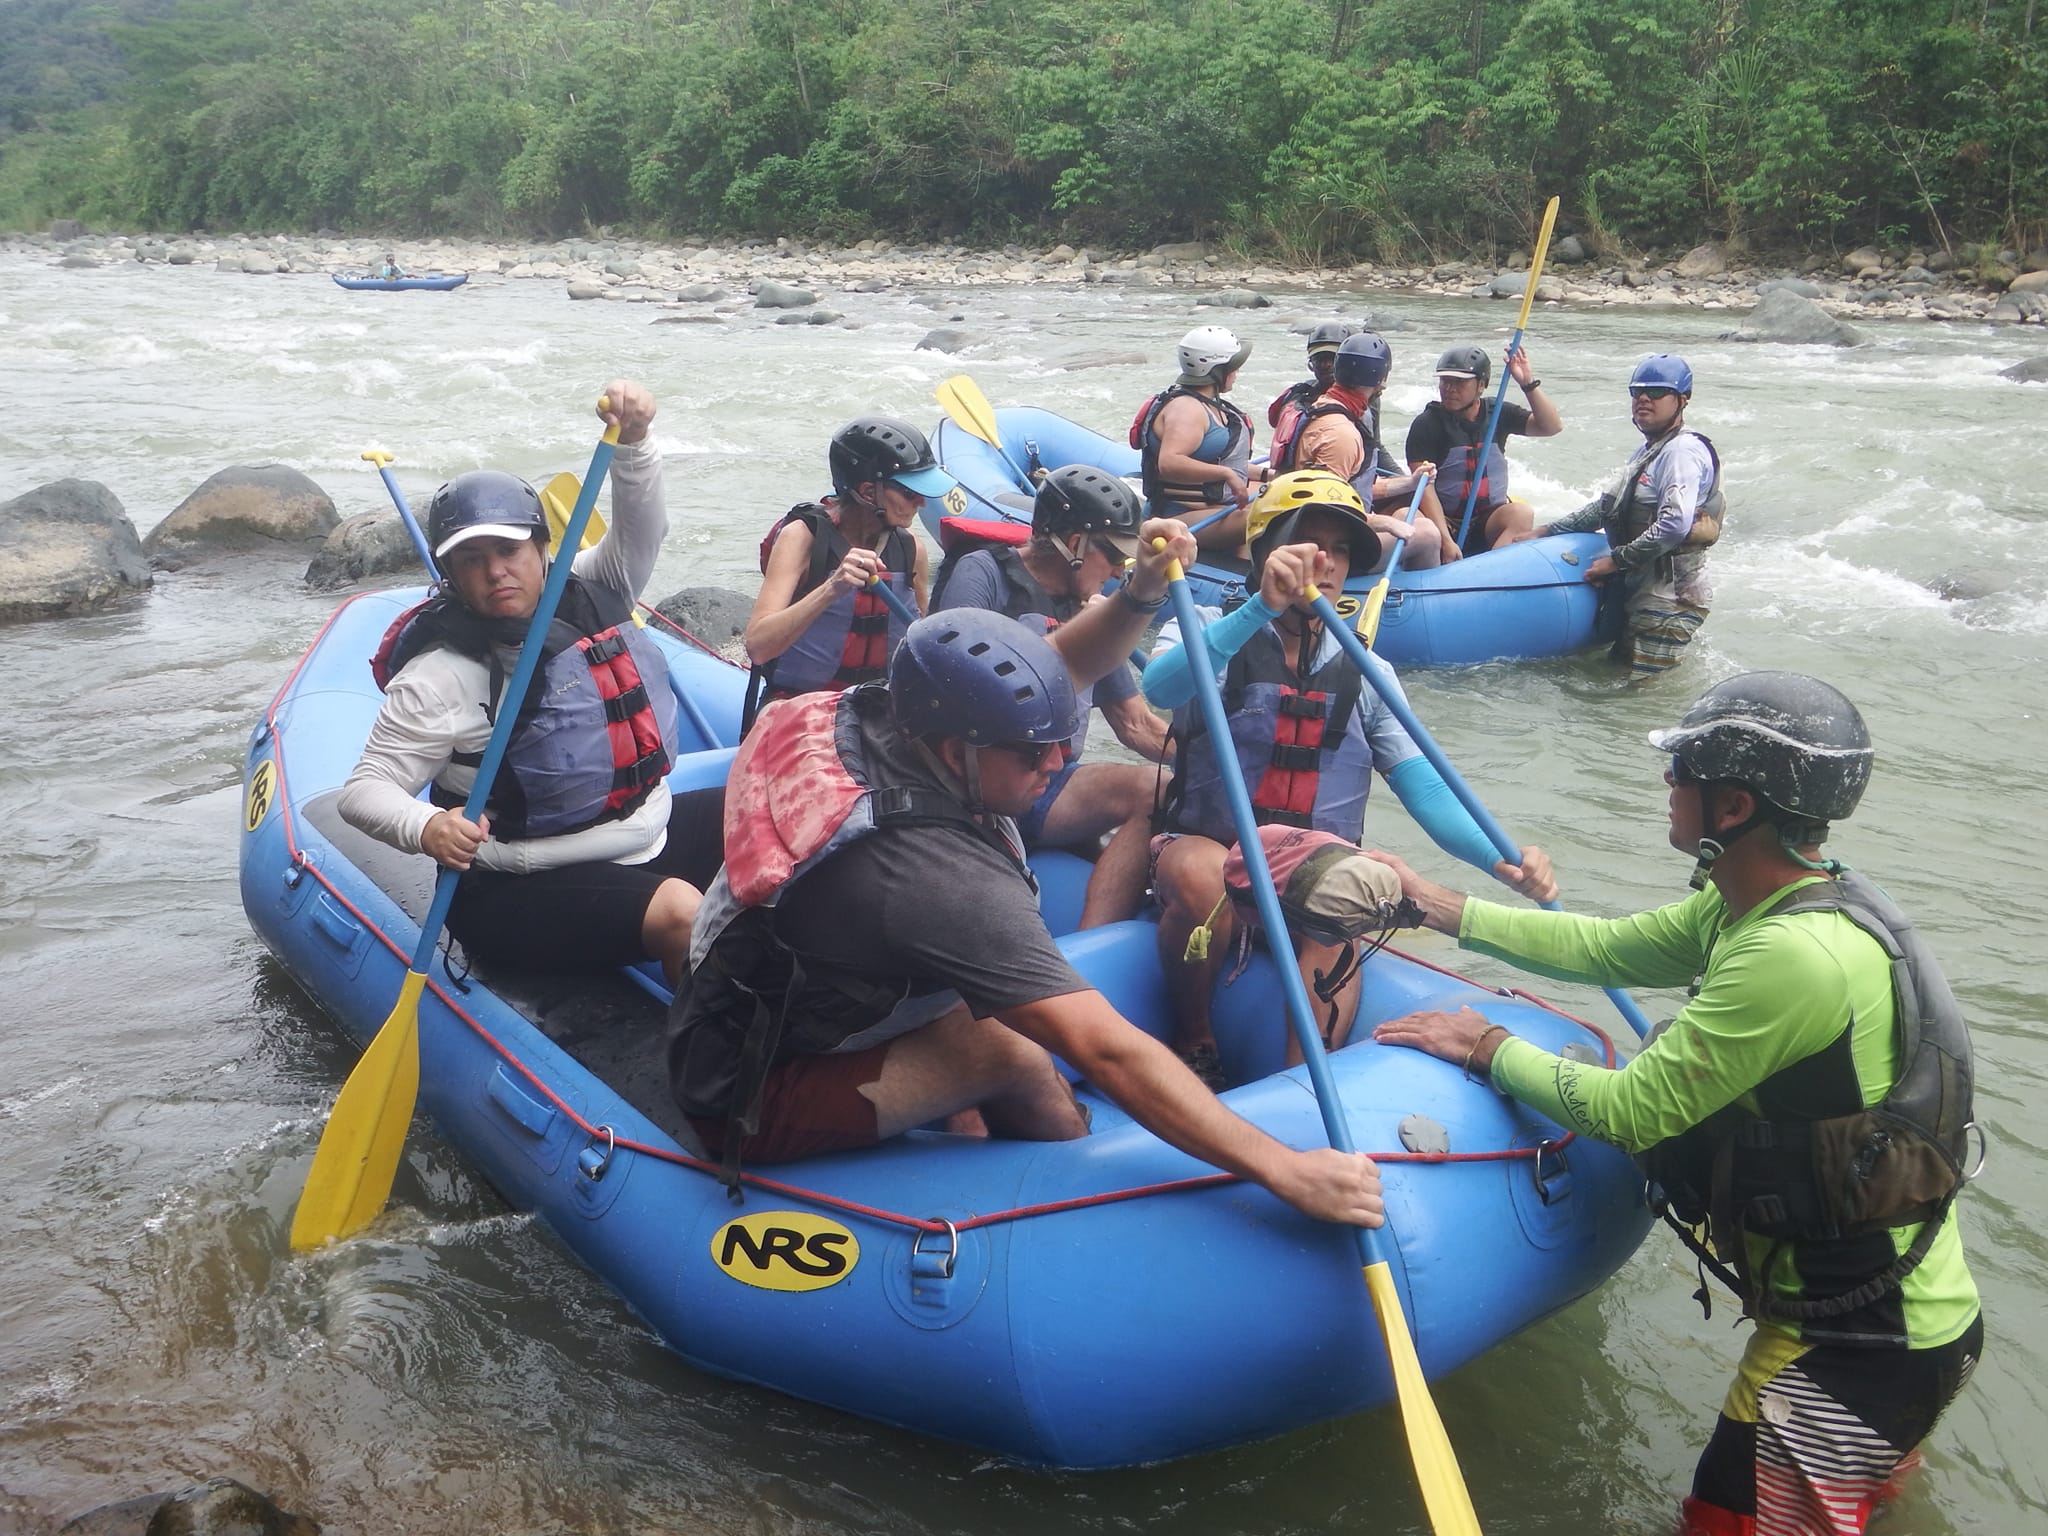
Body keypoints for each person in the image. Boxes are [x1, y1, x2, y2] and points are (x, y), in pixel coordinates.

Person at [1371, 672, 1981, 1536]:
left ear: (1732, 806)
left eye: (1679, 773)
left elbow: (1633, 1113)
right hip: (1911, 1326)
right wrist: (1438, 906)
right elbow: (1604, 947)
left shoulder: (1791, 955)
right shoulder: (1775, 905)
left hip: (1854, 1350)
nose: (1665, 786)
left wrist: (1486, 1047)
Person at [665, 533, 1387, 1233]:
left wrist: (1137, 590)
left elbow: (1065, 659)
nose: (1057, 767)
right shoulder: (936, 877)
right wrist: (1285, 1170)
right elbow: (1106, 1050)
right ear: (960, 752)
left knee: (995, 1031)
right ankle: (1065, 1207)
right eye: (1037, 754)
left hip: (786, 1004)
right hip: (751, 1089)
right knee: (1011, 1052)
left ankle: (965, 1121)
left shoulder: (900, 709)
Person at [1141, 471, 1554, 1079]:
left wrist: (1501, 857)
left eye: (1338, 549)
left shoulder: (1367, 668)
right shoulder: (1201, 623)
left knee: (1342, 899)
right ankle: (1194, 1037)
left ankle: (1300, 1084)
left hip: (1307, 865)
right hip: (1210, 851)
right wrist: (1262, 608)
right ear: (1264, 551)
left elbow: (1426, 787)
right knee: (1206, 874)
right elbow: (1163, 687)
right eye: (1307, 542)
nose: (1324, 561)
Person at [339, 381, 712, 984]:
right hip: (518, 883)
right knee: (682, 913)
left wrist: (635, 442)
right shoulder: (439, 673)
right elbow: (364, 791)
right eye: (471, 560)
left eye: (509, 549)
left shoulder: (599, 588)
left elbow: (643, 529)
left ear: (543, 548)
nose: (495, 572)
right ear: (452, 576)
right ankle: (715, 1069)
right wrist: (428, 827)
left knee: (774, 817)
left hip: (643, 834)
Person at [931, 464, 1167, 927]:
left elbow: (1135, 724)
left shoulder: (1095, 607)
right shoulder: (982, 572)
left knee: (1161, 790)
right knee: (1144, 788)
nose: (1121, 570)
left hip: (1050, 780)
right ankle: (1088, 950)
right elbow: (956, 681)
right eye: (1113, 555)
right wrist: (1093, 626)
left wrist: (1211, 760)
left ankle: (1095, 943)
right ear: (1074, 544)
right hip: (980, 784)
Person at [1516, 353, 1723, 679]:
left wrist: (1616, 560)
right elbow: (1606, 508)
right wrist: (1546, 530)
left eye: (1656, 392)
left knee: (1642, 692)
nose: (1643, 399)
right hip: (1644, 591)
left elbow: (1674, 524)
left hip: (1669, 598)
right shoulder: (1649, 450)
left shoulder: (1681, 452)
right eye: (1637, 392)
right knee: (1618, 679)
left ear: (1682, 400)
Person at [742, 416, 949, 729]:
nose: (922, 502)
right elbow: (758, 647)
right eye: (910, 493)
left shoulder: (911, 550)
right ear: (868, 491)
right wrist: (832, 588)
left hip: (879, 715)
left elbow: (919, 644)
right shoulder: (803, 538)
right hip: (799, 712)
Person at [1274, 332, 1453, 570]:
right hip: (1327, 547)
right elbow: (1325, 510)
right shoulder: (1341, 434)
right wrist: (1382, 523)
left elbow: (1354, 486)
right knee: (1428, 533)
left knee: (1407, 513)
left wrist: (1410, 482)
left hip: (1336, 528)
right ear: (1379, 379)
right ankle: (1420, 600)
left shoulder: (1326, 407)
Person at [1404, 342, 1563, 553]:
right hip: (1445, 521)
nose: (1449, 389)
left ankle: (1489, 571)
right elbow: (1424, 488)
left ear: (1481, 385)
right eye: (1445, 381)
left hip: (1487, 520)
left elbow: (1551, 427)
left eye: (1459, 382)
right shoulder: (1427, 424)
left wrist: (1528, 384)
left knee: (1522, 513)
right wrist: (1446, 541)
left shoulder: (1497, 413)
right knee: (1418, 523)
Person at [1132, 325, 1261, 551]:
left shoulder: (1208, 406)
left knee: (1273, 493)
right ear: (1216, 370)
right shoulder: (1186, 409)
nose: (1236, 374)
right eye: (1232, 368)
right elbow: (1169, 462)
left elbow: (1219, 461)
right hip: (1178, 517)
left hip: (1211, 509)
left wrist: (1269, 474)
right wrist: (1226, 474)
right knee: (1266, 515)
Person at [1266, 320, 1353, 431]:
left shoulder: (1361, 399)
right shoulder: (1299, 396)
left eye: (1332, 358)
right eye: (1319, 359)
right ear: (1311, 363)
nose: (1325, 365)